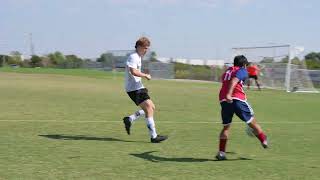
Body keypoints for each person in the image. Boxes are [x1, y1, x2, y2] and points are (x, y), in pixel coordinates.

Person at [216, 55, 268, 161]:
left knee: (226, 127)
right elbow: (234, 81)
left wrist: (227, 96)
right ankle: (263, 140)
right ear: (244, 64)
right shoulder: (242, 70)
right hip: (236, 99)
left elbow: (228, 81)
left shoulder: (227, 72)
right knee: (252, 121)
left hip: (224, 101)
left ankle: (221, 153)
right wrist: (229, 94)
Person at [122, 37, 168, 143]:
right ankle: (154, 136)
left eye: (147, 48)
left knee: (152, 107)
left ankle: (130, 119)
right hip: (133, 89)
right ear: (138, 47)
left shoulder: (138, 57)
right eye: (145, 48)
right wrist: (145, 75)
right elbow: (133, 71)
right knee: (149, 109)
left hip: (138, 87)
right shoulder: (133, 57)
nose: (146, 50)